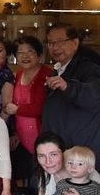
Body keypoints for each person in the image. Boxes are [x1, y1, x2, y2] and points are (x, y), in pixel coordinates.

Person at [22, 132, 100, 195]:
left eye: (53, 154)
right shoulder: (46, 174)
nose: (47, 162)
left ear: (64, 153)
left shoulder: (87, 173)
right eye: (41, 156)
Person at [43, 23, 100, 158]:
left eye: (60, 42)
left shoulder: (90, 68)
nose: (55, 47)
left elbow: (93, 97)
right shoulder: (58, 69)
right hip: (62, 148)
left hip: (82, 152)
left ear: (75, 43)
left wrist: (68, 86)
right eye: (51, 42)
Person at [5, 36, 52, 183]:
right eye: (20, 53)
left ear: (39, 54)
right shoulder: (19, 74)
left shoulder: (47, 74)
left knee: (40, 184)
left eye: (30, 51)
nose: (25, 56)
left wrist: (17, 109)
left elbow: (40, 108)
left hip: (43, 140)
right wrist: (17, 133)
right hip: (24, 141)